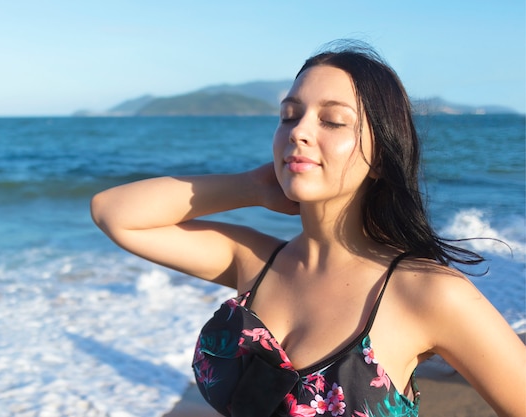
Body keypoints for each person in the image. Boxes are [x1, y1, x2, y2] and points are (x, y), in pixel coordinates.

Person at [91, 41, 525, 417]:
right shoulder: (257, 263)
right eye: (288, 115)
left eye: (332, 121)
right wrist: (252, 186)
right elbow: (114, 212)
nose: (299, 131)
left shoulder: (425, 292)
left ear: (382, 153)